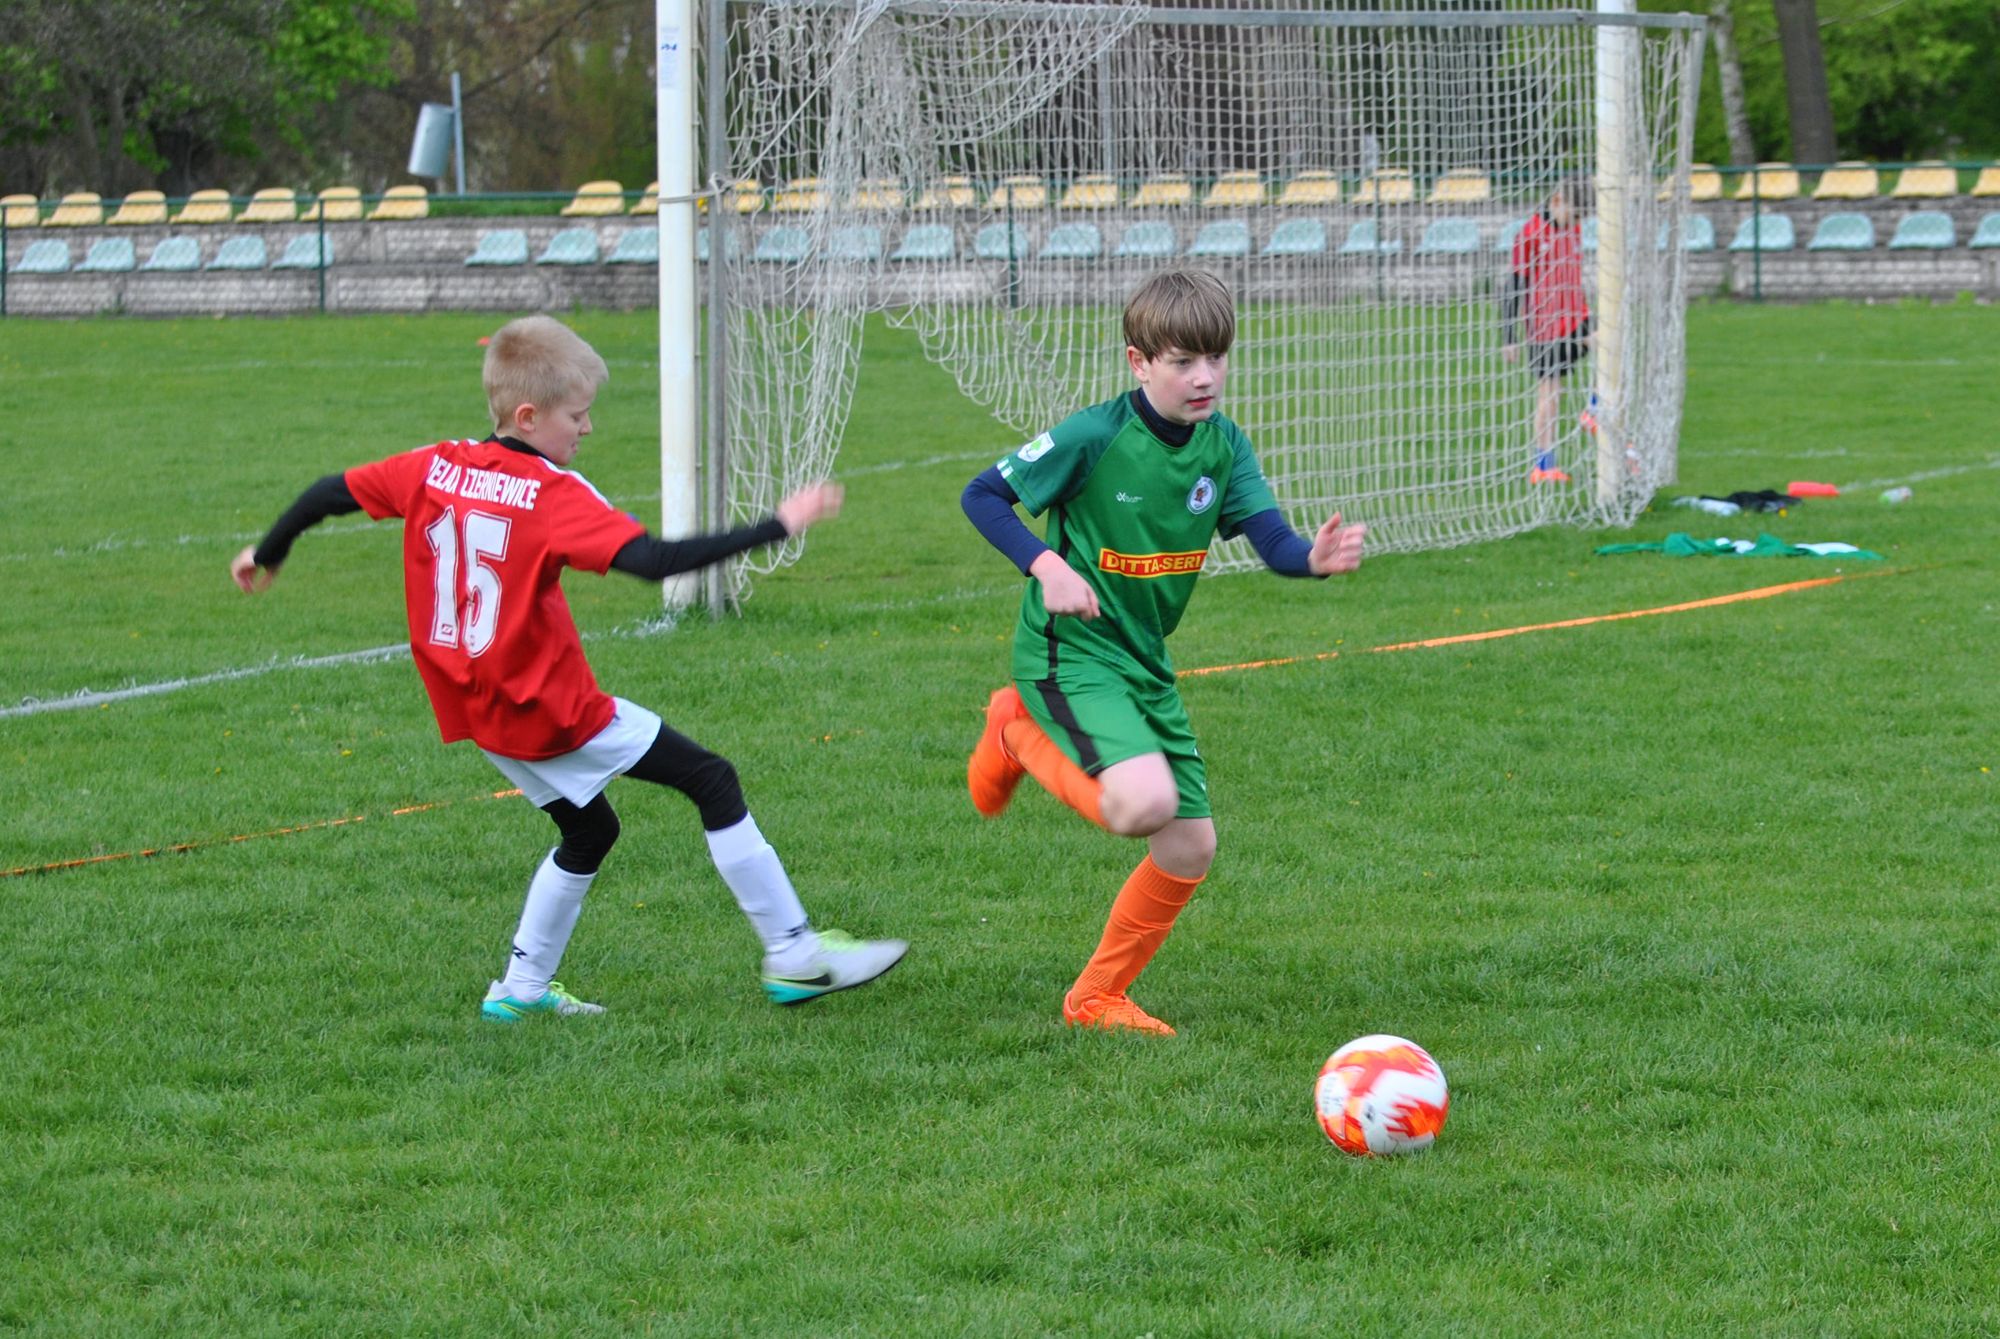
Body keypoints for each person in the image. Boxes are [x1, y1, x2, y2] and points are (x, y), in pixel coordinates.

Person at [231, 314, 906, 1022]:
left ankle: (521, 991)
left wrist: (268, 551)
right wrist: (778, 524)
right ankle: (795, 952)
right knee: (711, 777)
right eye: (577, 415)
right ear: (528, 415)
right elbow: (652, 562)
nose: (586, 430)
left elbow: (325, 491)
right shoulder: (553, 494)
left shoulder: (435, 465)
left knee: (590, 831)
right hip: (551, 709)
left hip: (477, 710)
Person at [959, 268, 1366, 1037]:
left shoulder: (1222, 444)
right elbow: (983, 494)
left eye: (1215, 358)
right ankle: (1014, 731)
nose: (1204, 376)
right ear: (1138, 361)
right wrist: (1046, 565)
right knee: (1144, 806)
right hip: (1069, 653)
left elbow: (1268, 534)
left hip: (1143, 660)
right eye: (1182, 360)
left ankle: (1094, 998)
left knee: (1189, 844)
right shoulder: (1094, 434)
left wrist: (1308, 558)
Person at [1501, 179, 1593, 485]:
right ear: (1556, 201)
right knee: (1550, 394)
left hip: (1577, 318)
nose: (1577, 222)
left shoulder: (1573, 231)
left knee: (1611, 344)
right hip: (1545, 327)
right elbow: (1514, 285)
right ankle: (1543, 465)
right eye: (1575, 214)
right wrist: (1509, 336)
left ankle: (1594, 409)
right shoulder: (1529, 234)